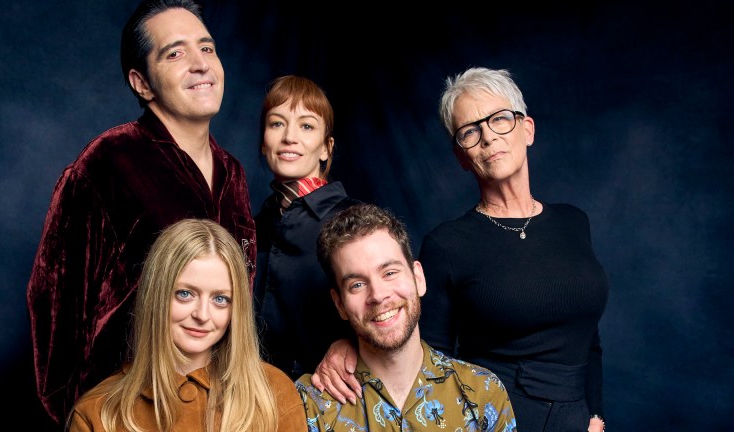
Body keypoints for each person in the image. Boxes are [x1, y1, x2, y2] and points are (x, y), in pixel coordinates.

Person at [311, 68, 609, 432]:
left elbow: (589, 335)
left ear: (527, 129)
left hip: (579, 420)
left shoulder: (573, 222)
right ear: (461, 155)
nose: (488, 138)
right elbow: (419, 351)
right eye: (471, 131)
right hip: (497, 417)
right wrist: (347, 347)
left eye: (500, 119)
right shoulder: (447, 245)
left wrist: (594, 415)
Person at [26, 0, 256, 425]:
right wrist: (82, 415)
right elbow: (54, 303)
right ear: (142, 82)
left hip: (218, 409)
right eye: (175, 53)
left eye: (206, 48)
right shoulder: (108, 162)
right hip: (128, 410)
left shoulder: (233, 174)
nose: (200, 64)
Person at [66, 218, 305, 432]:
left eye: (220, 299)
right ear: (156, 296)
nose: (202, 315)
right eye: (185, 294)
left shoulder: (273, 393)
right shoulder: (98, 413)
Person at [296, 203, 516, 432]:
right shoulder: (310, 406)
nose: (378, 295)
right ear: (340, 304)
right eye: (357, 285)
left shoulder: (483, 393)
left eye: (389, 273)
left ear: (418, 277)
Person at [253, 75, 360, 380]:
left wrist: (349, 342)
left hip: (328, 399)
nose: (289, 137)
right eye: (277, 124)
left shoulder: (356, 220)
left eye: (307, 125)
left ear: (327, 148)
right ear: (263, 143)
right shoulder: (250, 226)